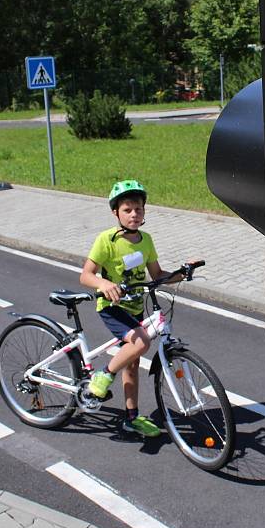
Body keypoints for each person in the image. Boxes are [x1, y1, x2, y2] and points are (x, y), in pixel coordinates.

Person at [79, 179, 188, 438]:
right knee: (140, 343)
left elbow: (158, 273)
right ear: (116, 212)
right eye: (127, 210)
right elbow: (86, 275)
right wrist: (104, 283)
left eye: (138, 209)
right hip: (112, 307)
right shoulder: (106, 240)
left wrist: (183, 273)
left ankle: (131, 418)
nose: (134, 214)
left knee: (132, 361)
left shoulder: (146, 240)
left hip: (136, 305)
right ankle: (102, 377)